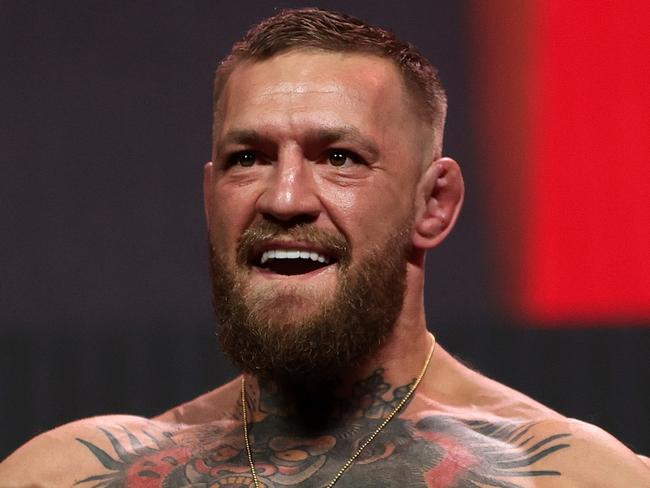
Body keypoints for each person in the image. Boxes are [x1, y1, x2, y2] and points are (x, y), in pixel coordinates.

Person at [1, 8, 649, 487]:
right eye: (248, 158)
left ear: (435, 203)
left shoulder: (573, 477)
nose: (285, 198)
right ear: (210, 198)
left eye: (339, 158)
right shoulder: (67, 476)